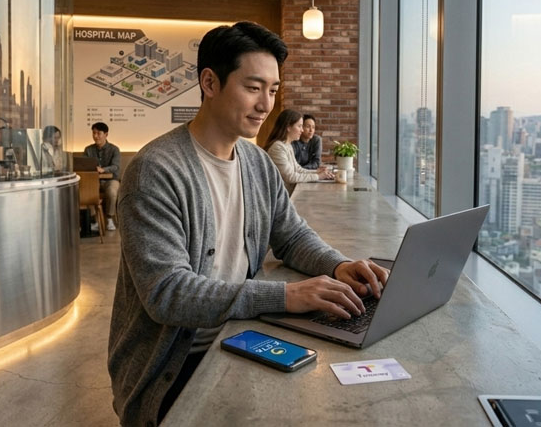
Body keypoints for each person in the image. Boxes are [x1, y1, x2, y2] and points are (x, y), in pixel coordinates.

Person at [107, 21, 389, 427]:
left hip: (239, 335)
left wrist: (338, 265)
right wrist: (285, 296)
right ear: (209, 82)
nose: (266, 105)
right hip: (173, 366)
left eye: (273, 90)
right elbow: (167, 293)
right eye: (253, 88)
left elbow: (291, 235)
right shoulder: (154, 171)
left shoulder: (256, 161)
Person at [265, 109, 333, 194]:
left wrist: (317, 171)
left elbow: (297, 169)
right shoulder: (278, 148)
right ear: (288, 127)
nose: (302, 130)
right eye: (299, 126)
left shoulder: (287, 145)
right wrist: (318, 176)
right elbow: (290, 177)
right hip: (282, 197)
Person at [84, 121, 121, 231]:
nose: (96, 136)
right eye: (94, 133)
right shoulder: (88, 150)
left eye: (99, 133)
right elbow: (84, 164)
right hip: (93, 180)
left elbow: (116, 166)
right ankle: (95, 220)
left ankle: (109, 218)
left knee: (112, 192)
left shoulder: (114, 149)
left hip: (111, 180)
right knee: (86, 191)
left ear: (106, 134)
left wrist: (103, 169)